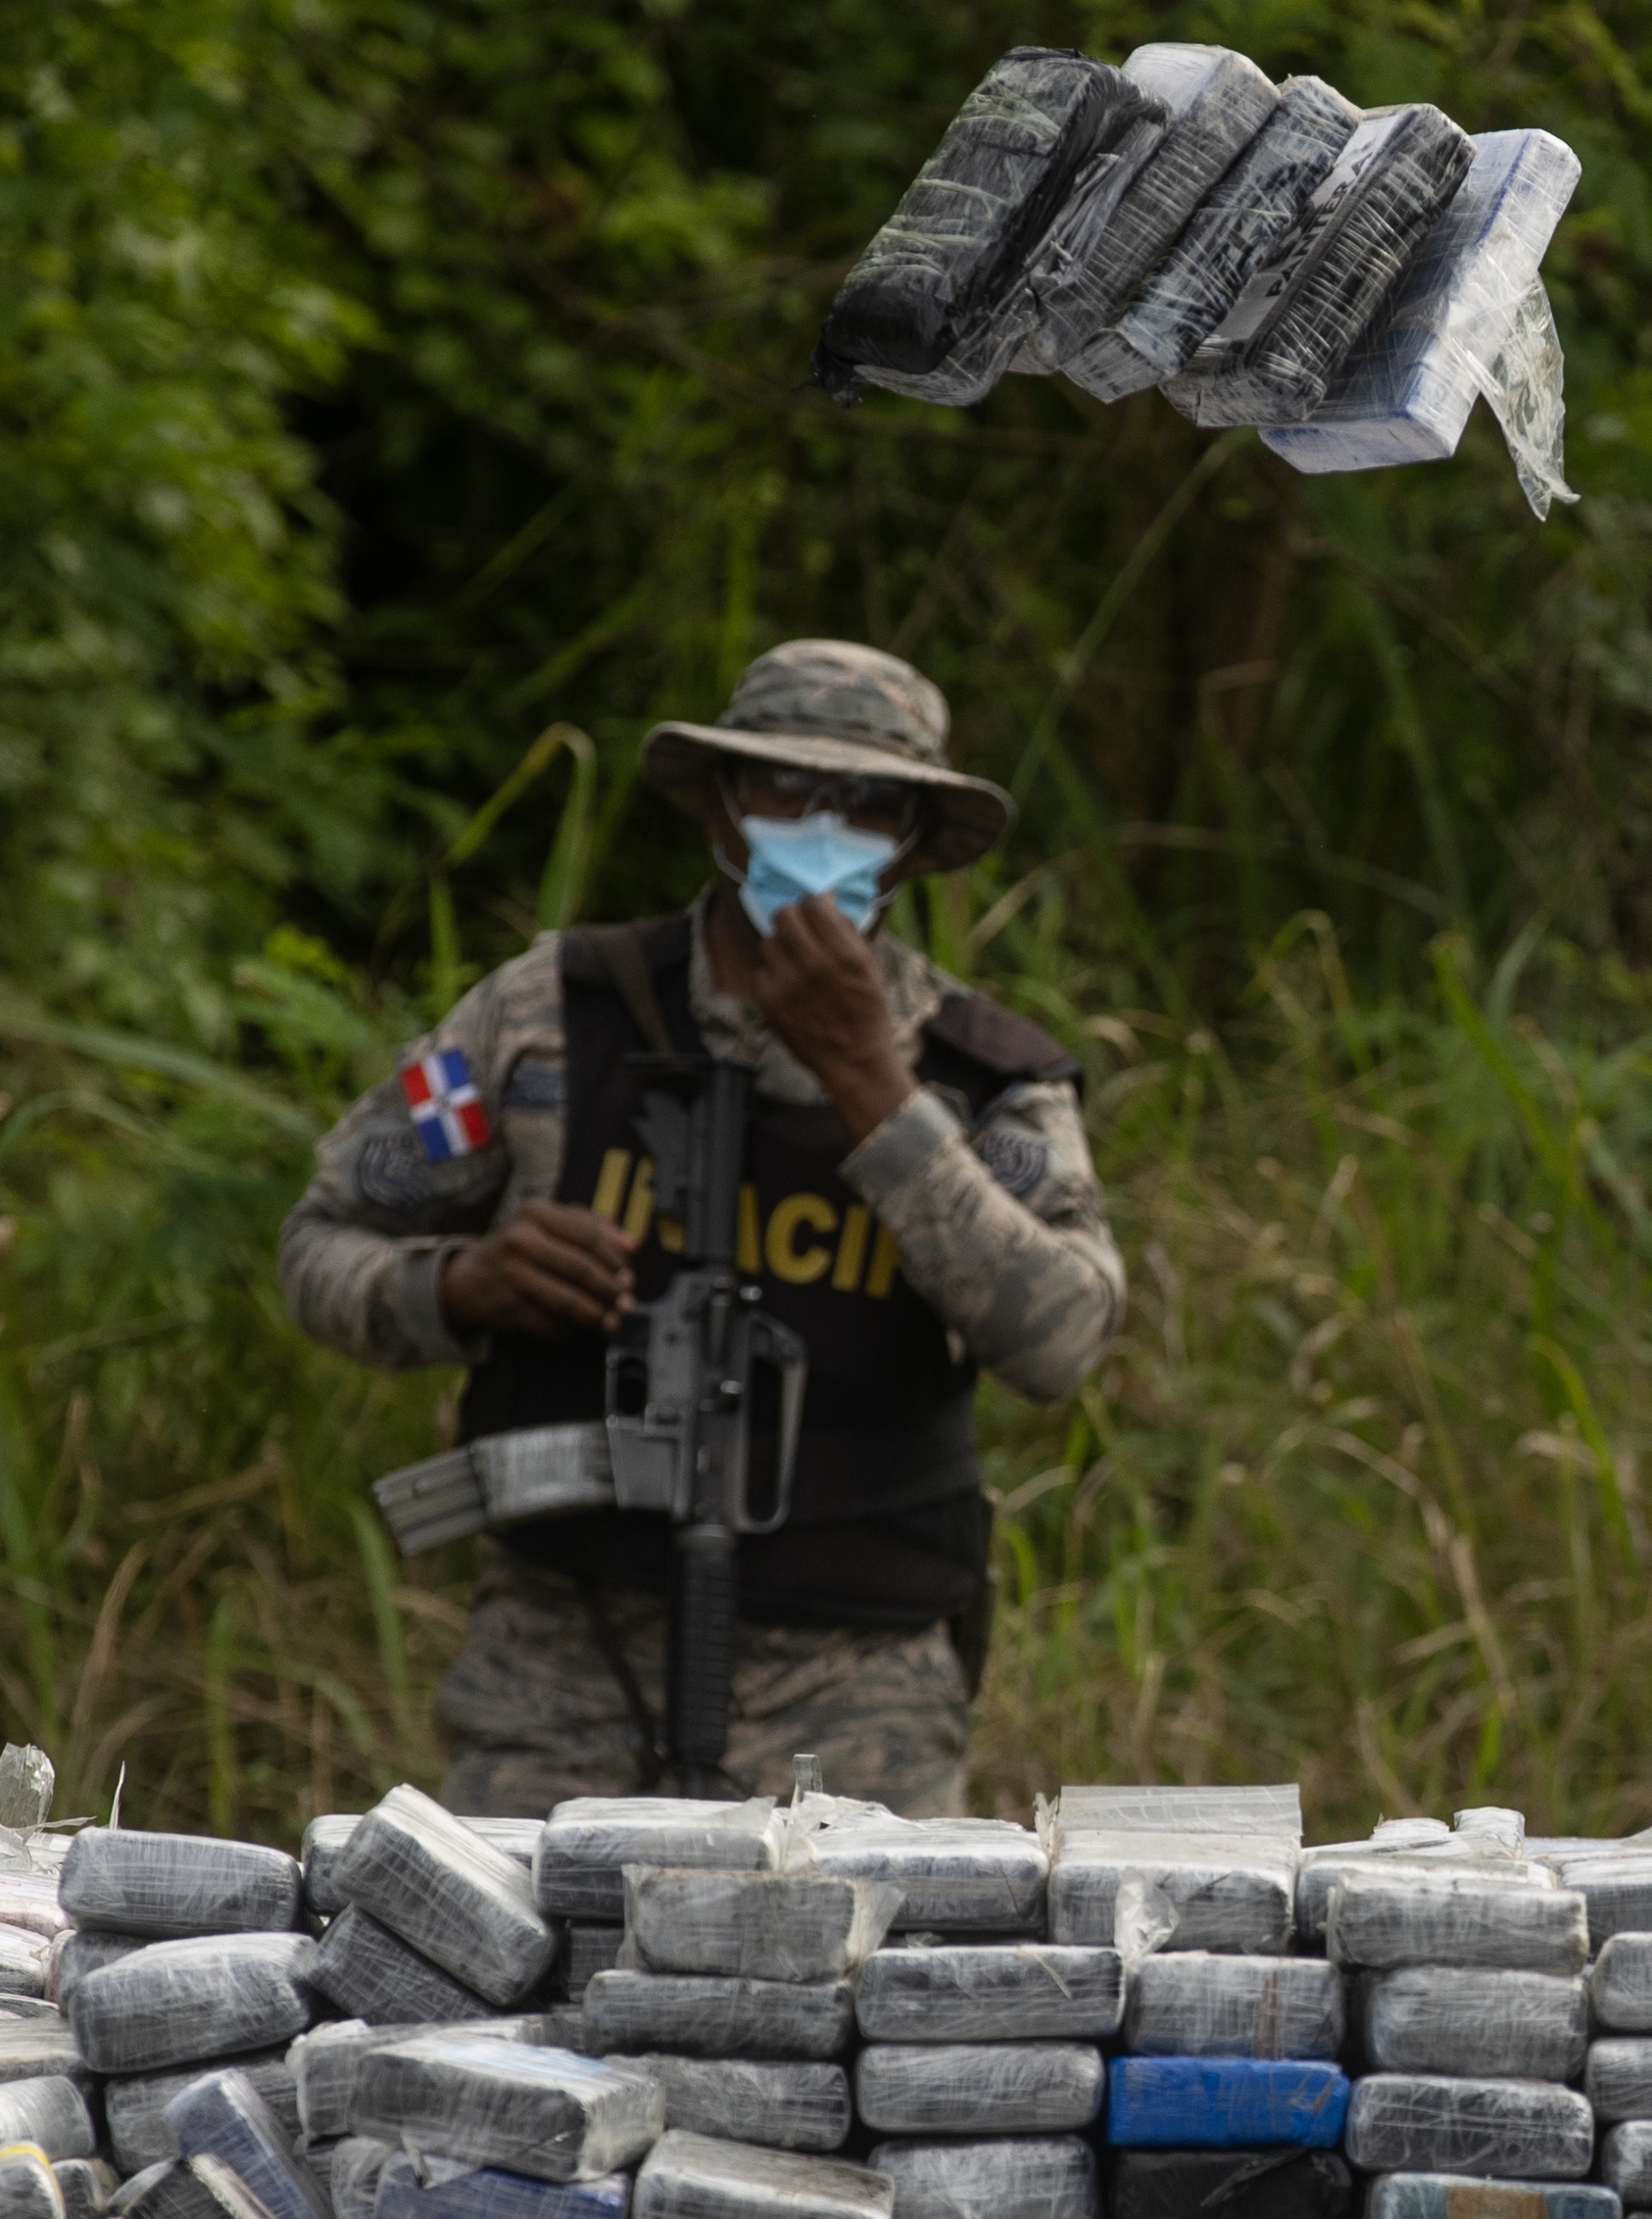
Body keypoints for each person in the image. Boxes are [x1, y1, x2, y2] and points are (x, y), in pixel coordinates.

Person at [280, 640, 1123, 1816]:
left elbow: (1061, 1339)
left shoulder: (986, 1079)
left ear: (917, 842)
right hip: (563, 1660)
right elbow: (321, 1242)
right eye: (788, 789)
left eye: (867, 804)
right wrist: (462, 1285)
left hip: (855, 1683)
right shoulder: (544, 1017)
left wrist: (869, 1081)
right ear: (723, 805)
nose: (821, 827)